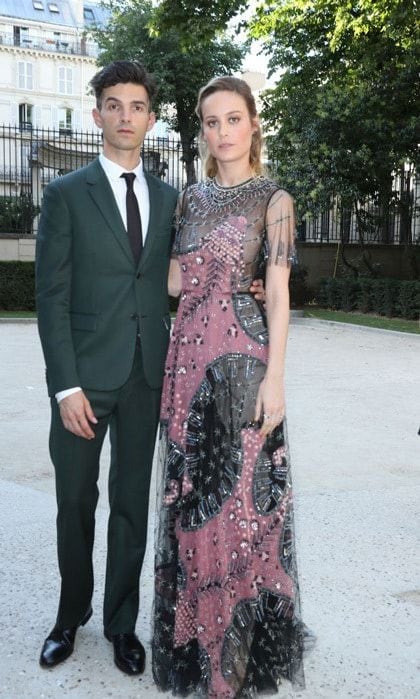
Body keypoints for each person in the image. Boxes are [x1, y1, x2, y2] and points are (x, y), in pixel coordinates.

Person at [35, 61, 265, 676]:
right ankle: (68, 617)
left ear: (152, 118)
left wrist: (249, 290)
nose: (125, 116)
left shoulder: (173, 199)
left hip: (148, 377)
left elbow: (192, 271)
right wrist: (64, 386)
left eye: (137, 106)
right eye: (113, 105)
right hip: (83, 380)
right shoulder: (64, 195)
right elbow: (51, 298)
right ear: (98, 115)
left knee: (133, 504)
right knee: (75, 502)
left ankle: (120, 625)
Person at [152, 76, 308, 697]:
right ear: (203, 130)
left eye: (233, 119)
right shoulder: (189, 199)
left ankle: (238, 652)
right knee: (195, 504)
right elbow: (170, 283)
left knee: (241, 505)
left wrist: (276, 378)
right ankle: (200, 643)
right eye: (211, 122)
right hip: (186, 364)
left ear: (253, 124)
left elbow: (277, 292)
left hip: (244, 366)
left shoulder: (277, 200)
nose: (222, 133)